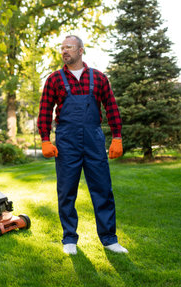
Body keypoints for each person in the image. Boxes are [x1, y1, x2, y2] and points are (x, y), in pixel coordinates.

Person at [37, 35, 128, 255]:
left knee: (103, 189)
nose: (64, 51)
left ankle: (109, 239)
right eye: (62, 48)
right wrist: (45, 139)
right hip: (67, 142)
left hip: (94, 141)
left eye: (69, 47)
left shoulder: (98, 78)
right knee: (66, 191)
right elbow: (45, 111)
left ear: (81, 50)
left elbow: (111, 108)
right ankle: (69, 238)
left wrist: (117, 137)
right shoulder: (54, 79)